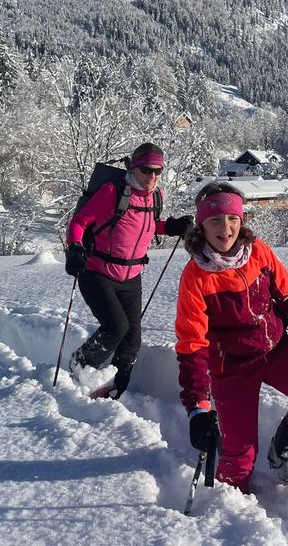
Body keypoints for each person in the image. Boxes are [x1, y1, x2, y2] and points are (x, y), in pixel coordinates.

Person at [174, 181, 288, 492]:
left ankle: (284, 448)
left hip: (275, 349)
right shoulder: (196, 276)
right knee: (239, 461)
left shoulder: (258, 252)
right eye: (215, 220)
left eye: (233, 219)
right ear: (201, 225)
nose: (226, 228)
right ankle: (228, 506)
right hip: (232, 367)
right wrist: (198, 407)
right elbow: (192, 345)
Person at [64, 142, 193, 397]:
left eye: (158, 171)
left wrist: (171, 227)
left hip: (132, 277)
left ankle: (115, 389)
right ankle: (80, 365)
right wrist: (75, 248)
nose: (152, 176)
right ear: (133, 168)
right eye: (146, 170)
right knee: (116, 327)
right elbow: (79, 223)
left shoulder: (156, 196)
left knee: (132, 341)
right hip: (97, 272)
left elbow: (148, 224)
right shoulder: (113, 192)